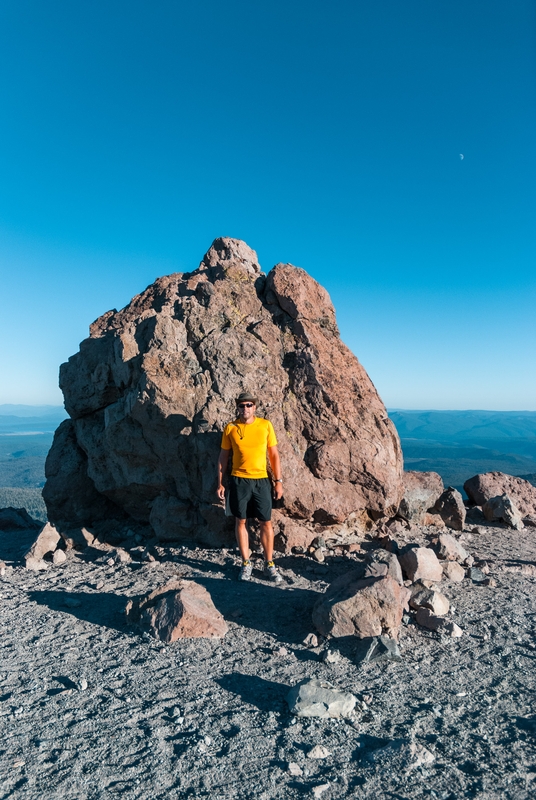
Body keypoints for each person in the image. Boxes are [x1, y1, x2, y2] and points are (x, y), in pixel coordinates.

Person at [217, 392, 284, 583]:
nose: (245, 409)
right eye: (241, 405)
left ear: (254, 407)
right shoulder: (230, 428)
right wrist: (220, 482)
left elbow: (274, 455)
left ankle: (269, 563)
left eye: (248, 405)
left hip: (261, 480)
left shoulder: (265, 425)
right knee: (241, 521)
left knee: (266, 522)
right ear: (237, 408)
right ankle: (246, 563)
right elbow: (223, 458)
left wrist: (278, 482)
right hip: (239, 480)